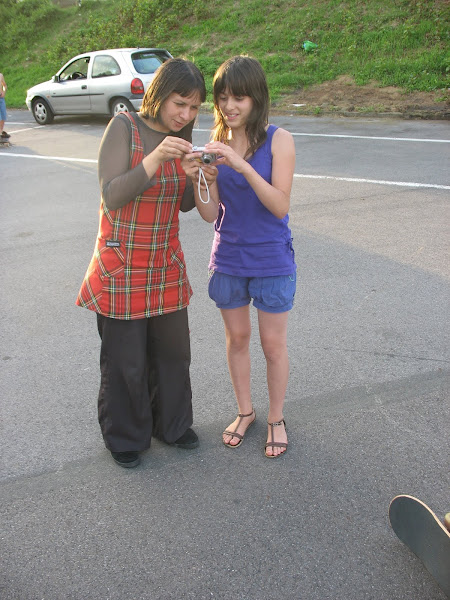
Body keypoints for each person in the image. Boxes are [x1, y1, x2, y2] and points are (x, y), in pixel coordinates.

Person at [76, 58, 208, 468]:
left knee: (173, 354)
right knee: (126, 360)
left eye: (193, 108)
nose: (185, 115)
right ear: (160, 94)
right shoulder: (125, 127)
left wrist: (191, 175)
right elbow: (112, 194)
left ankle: (172, 424)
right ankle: (126, 437)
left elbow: (184, 204)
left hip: (164, 264)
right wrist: (154, 160)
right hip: (122, 266)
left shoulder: (181, 136)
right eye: (179, 103)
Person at [188, 56, 296, 458]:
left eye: (239, 98)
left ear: (257, 98)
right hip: (229, 258)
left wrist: (242, 166)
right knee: (237, 339)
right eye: (222, 98)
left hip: (271, 260)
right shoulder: (214, 142)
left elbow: (280, 206)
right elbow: (209, 213)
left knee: (272, 344)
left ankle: (276, 418)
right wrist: (200, 177)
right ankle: (246, 411)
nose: (229, 106)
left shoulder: (278, 140)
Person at [0, 72, 10, 140]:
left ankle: (0, 132)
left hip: (1, 98)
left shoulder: (0, 75)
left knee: (3, 116)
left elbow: (5, 85)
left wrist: (4, 92)